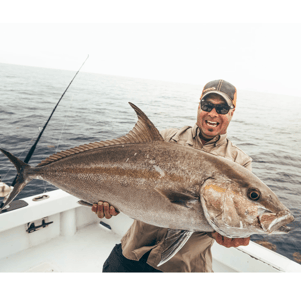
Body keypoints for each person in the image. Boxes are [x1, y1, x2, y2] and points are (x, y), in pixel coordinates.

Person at [95, 79, 251, 272]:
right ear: (199, 106)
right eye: (207, 105)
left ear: (232, 112)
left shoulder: (239, 163)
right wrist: (113, 203)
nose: (212, 114)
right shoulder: (167, 139)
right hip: (131, 251)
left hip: (181, 267)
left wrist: (225, 233)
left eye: (222, 108)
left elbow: (230, 215)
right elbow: (132, 182)